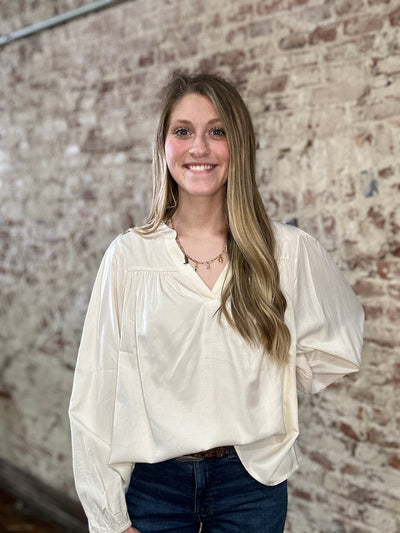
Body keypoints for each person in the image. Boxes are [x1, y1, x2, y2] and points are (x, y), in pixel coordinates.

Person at [69, 73, 364, 533]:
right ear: (164, 146)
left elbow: (334, 348)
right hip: (154, 488)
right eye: (182, 131)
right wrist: (108, 517)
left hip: (250, 484)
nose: (199, 148)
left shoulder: (285, 252)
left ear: (239, 145)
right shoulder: (129, 257)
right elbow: (95, 392)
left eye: (218, 131)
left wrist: (277, 369)